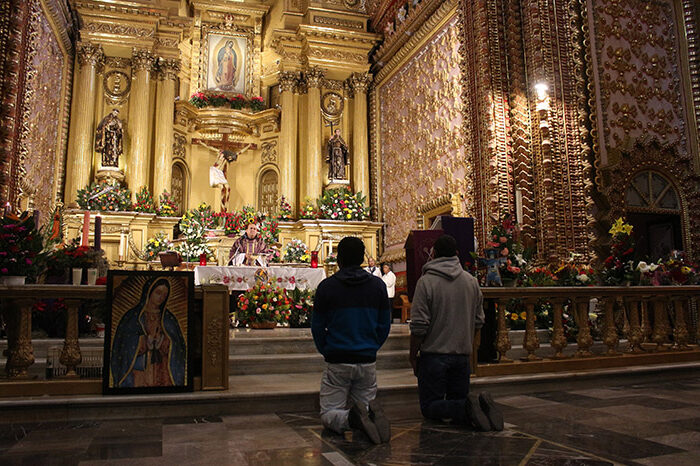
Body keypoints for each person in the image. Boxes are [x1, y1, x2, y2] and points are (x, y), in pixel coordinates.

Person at [409, 234, 503, 431]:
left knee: (430, 407)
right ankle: (475, 407)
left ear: (433, 254)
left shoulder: (426, 282)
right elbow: (479, 321)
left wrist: (413, 355)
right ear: (457, 254)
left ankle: (468, 406)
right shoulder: (471, 282)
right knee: (458, 405)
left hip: (434, 355)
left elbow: (419, 325)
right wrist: (469, 346)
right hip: (462, 354)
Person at [312, 236, 392, 444]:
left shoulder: (327, 287)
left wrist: (327, 349)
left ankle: (351, 419)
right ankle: (366, 417)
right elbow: (384, 324)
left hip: (338, 357)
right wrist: (372, 346)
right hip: (367, 357)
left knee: (329, 414)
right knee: (365, 407)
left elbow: (318, 326)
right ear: (362, 259)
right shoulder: (377, 286)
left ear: (338, 259)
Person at [110, 278, 186, 388]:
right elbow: (123, 343)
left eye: (164, 295)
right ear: (149, 292)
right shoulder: (133, 316)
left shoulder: (169, 319)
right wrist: (143, 342)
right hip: (140, 370)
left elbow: (179, 346)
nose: (161, 298)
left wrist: (164, 342)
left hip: (162, 369)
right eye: (158, 293)